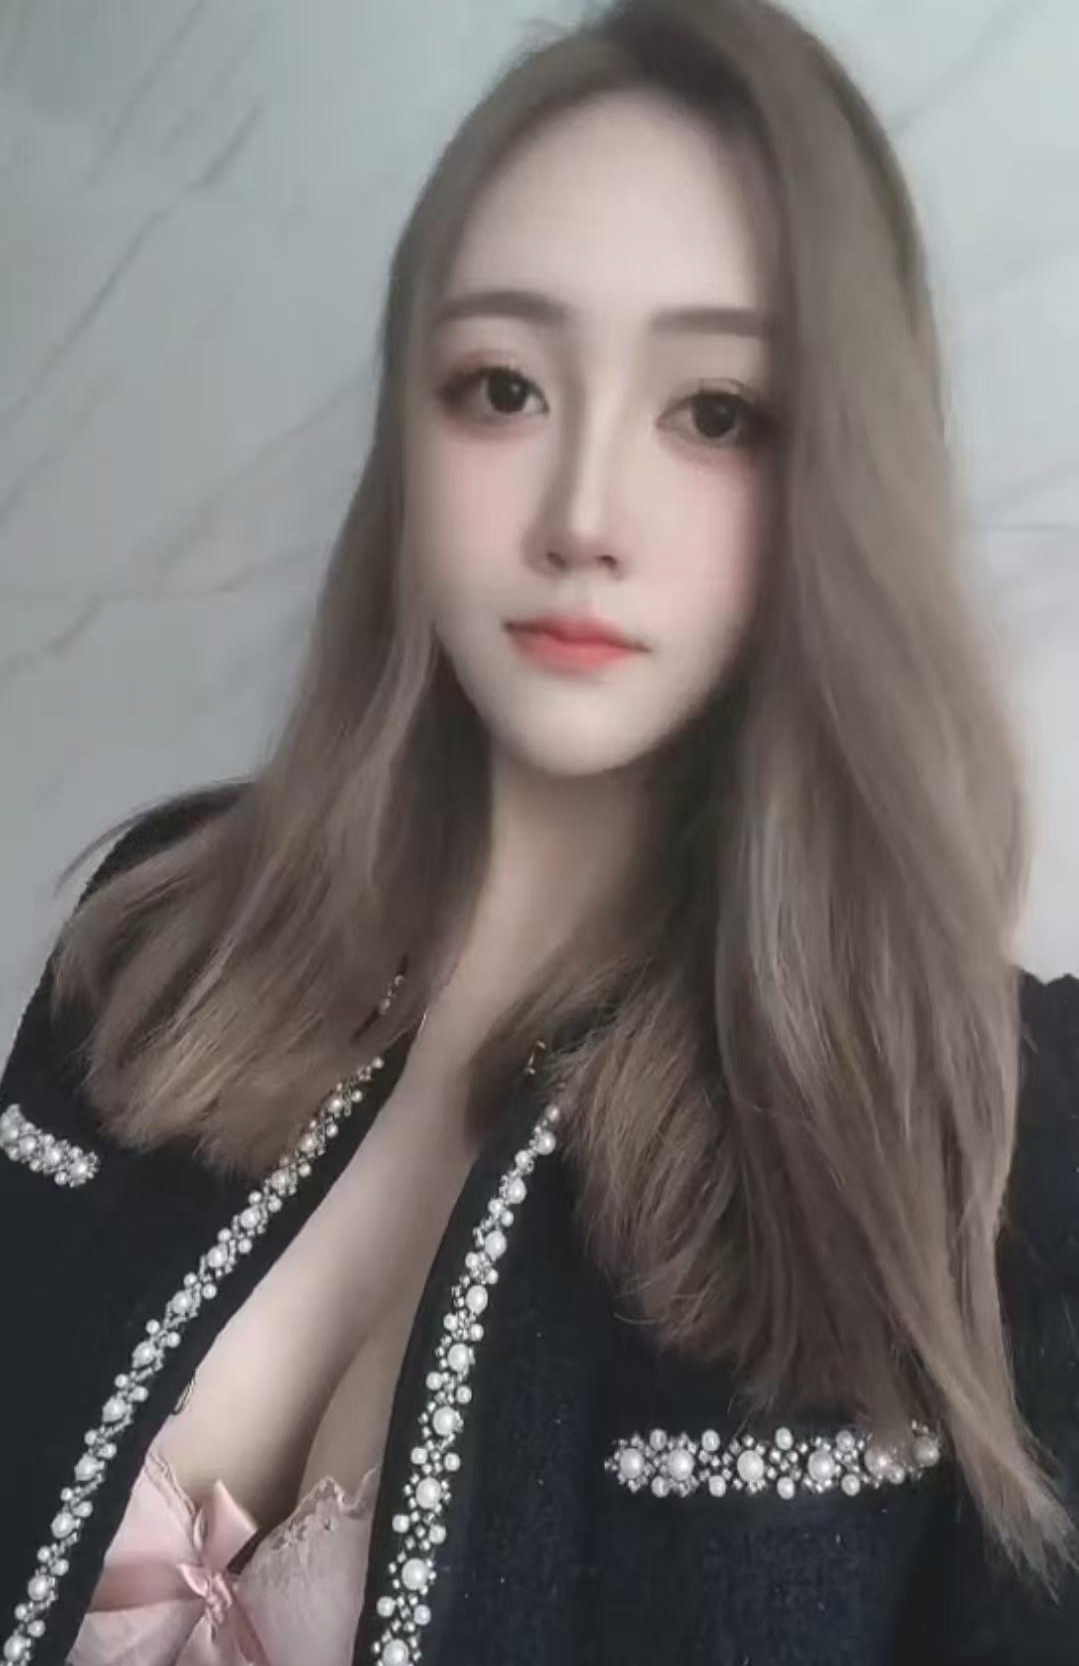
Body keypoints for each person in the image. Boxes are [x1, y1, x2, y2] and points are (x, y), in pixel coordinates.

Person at [1, 0, 1076, 1661]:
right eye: (502, 387)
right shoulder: (161, 940)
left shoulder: (994, 1138)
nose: (583, 516)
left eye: (715, 410)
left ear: (839, 474)